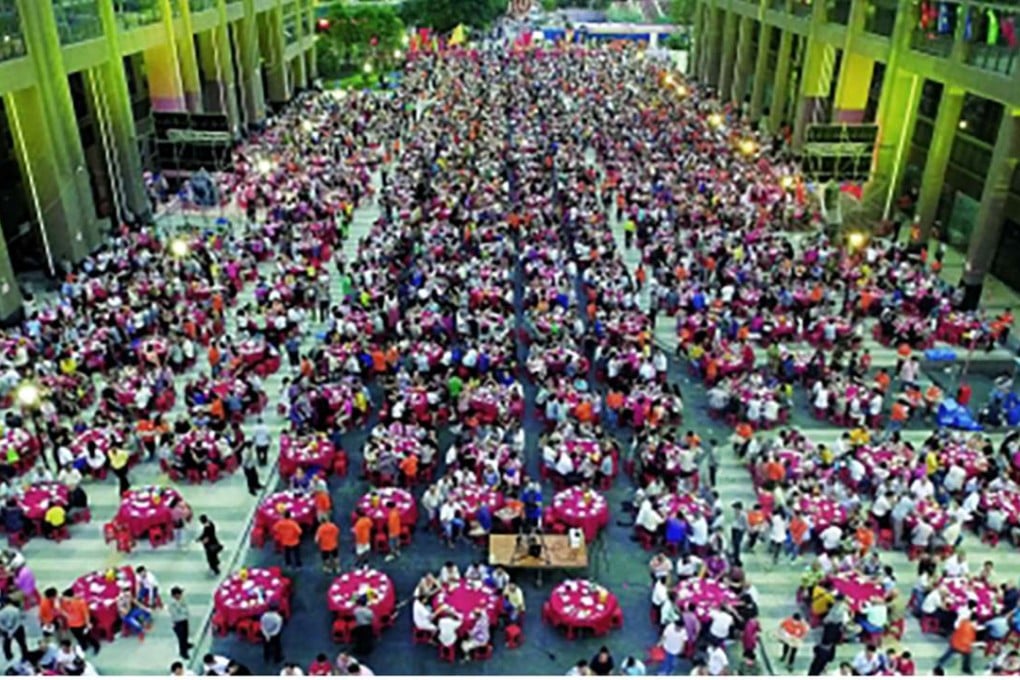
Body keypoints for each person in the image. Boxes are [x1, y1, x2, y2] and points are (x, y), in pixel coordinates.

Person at [59, 588, 99, 653]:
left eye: (65, 597)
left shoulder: (80, 602)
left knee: (88, 636)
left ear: (69, 597)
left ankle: (96, 646)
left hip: (81, 624)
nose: (63, 599)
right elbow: (61, 609)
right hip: (72, 625)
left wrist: (88, 623)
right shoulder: (64, 603)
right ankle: (84, 646)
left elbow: (86, 614)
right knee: (78, 637)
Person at [169, 586, 191, 659]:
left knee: (186, 634)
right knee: (181, 638)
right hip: (178, 622)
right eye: (179, 594)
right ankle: (183, 652)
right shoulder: (172, 603)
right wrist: (184, 610)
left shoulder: (180, 600)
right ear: (175, 595)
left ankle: (186, 644)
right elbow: (177, 613)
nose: (181, 595)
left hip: (184, 620)